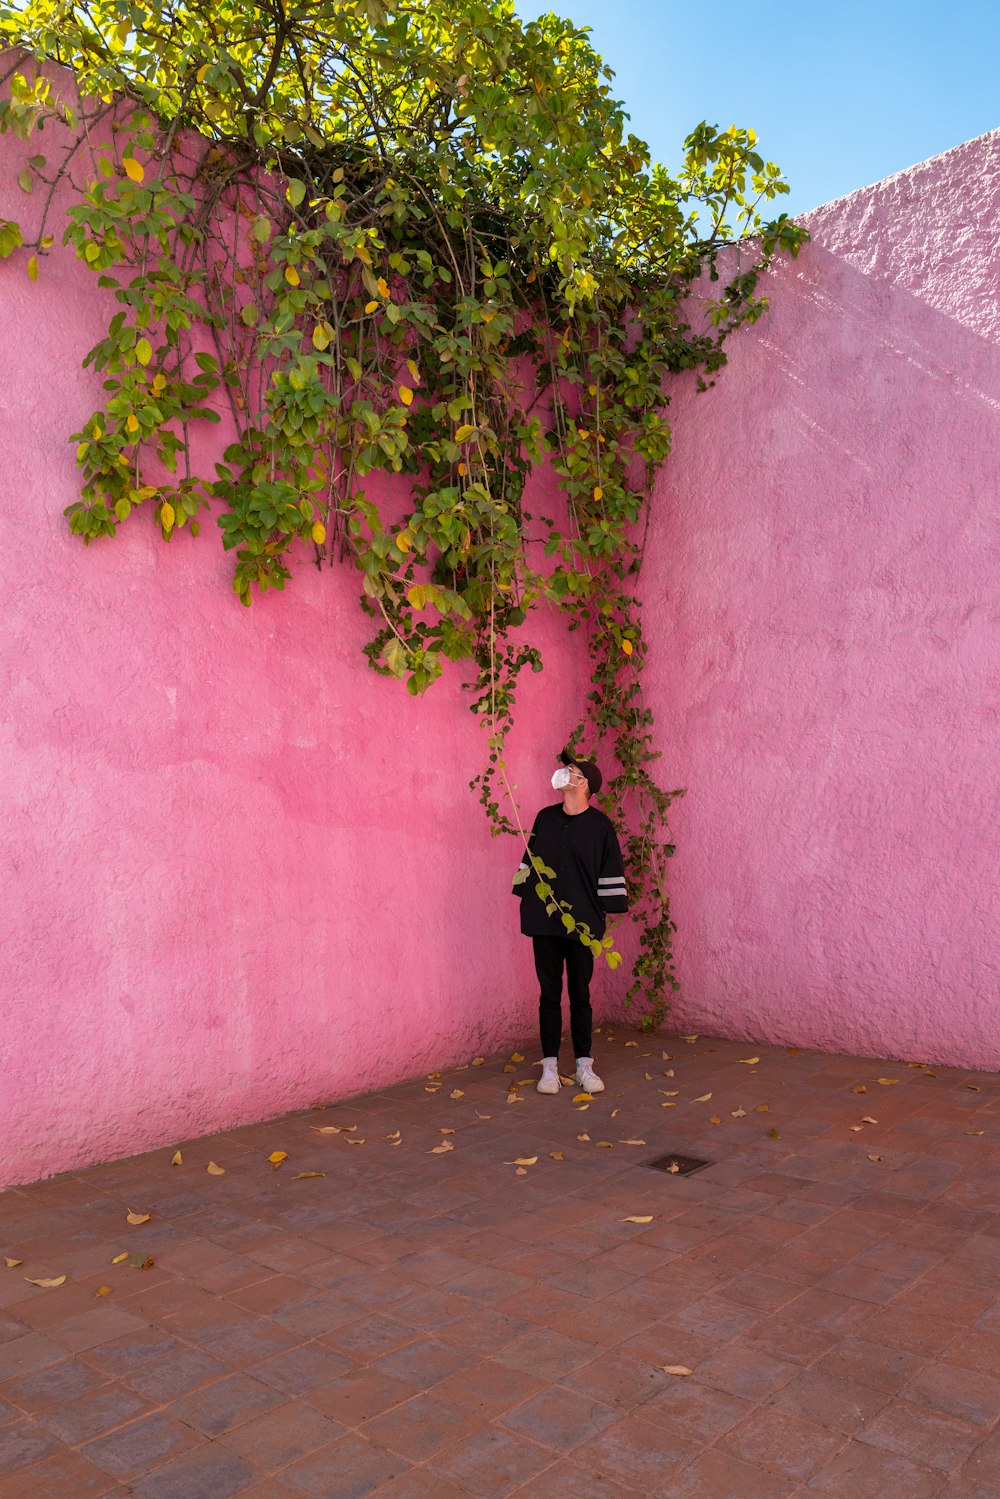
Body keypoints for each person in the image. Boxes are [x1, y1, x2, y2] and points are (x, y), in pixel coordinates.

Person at [513, 752, 629, 1095]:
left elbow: (610, 873)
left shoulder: (600, 826)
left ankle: (583, 1066)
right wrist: (527, 896)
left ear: (585, 785)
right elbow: (530, 861)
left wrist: (602, 914)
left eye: (572, 771)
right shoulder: (544, 818)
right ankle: (549, 1066)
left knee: (580, 994)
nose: (564, 774)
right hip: (544, 921)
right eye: (566, 769)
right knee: (549, 994)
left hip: (582, 924)